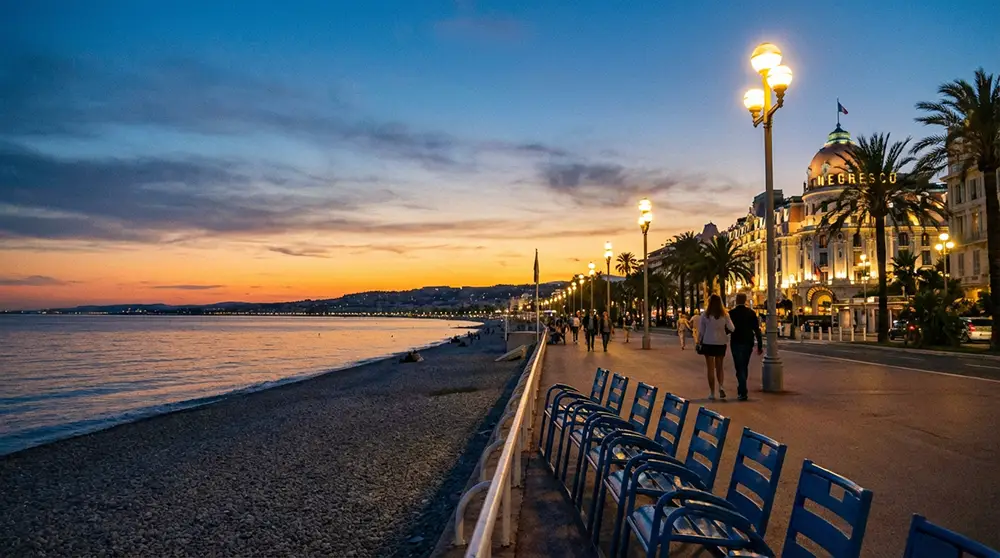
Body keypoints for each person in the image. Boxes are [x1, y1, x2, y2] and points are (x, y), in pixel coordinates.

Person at [696, 294, 735, 401]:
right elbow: (732, 328)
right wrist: (723, 332)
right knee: (720, 366)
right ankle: (721, 387)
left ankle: (712, 393)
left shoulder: (705, 315)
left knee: (710, 368)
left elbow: (701, 331)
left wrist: (698, 342)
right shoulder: (725, 315)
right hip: (721, 343)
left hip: (708, 342)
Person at [729, 293, 763, 401]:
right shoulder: (751, 313)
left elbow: (727, 329)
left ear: (736, 300)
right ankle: (742, 389)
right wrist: (760, 345)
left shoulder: (731, 313)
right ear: (745, 301)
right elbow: (757, 330)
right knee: (744, 365)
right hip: (748, 342)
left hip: (735, 342)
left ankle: (742, 390)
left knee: (739, 367)